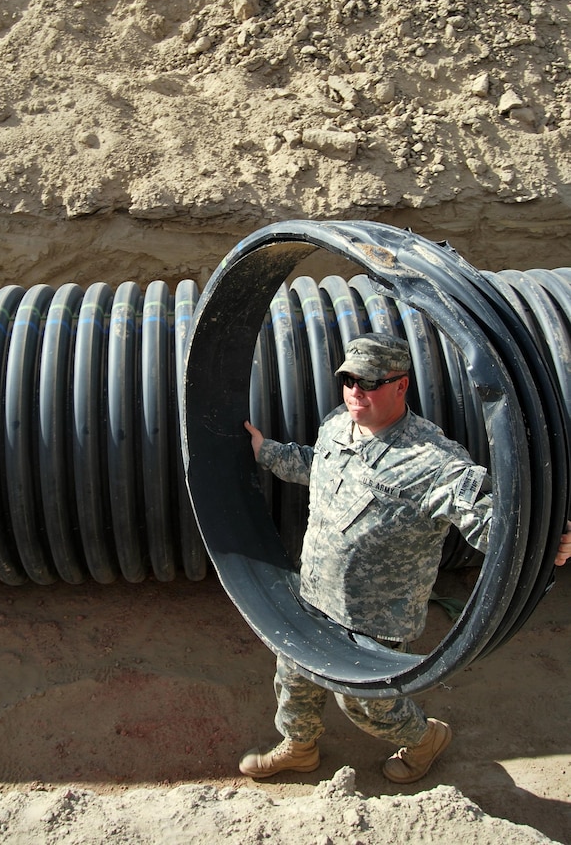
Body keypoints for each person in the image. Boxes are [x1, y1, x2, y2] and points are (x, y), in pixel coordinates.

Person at [240, 332, 571, 785]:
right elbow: (318, 465)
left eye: (371, 382)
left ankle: (424, 739)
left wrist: (544, 541)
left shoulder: (432, 460)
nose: (357, 391)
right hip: (315, 592)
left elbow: (486, 516)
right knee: (294, 673)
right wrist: (266, 452)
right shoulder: (339, 423)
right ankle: (299, 746)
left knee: (366, 703)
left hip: (374, 618)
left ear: (401, 385)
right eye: (349, 379)